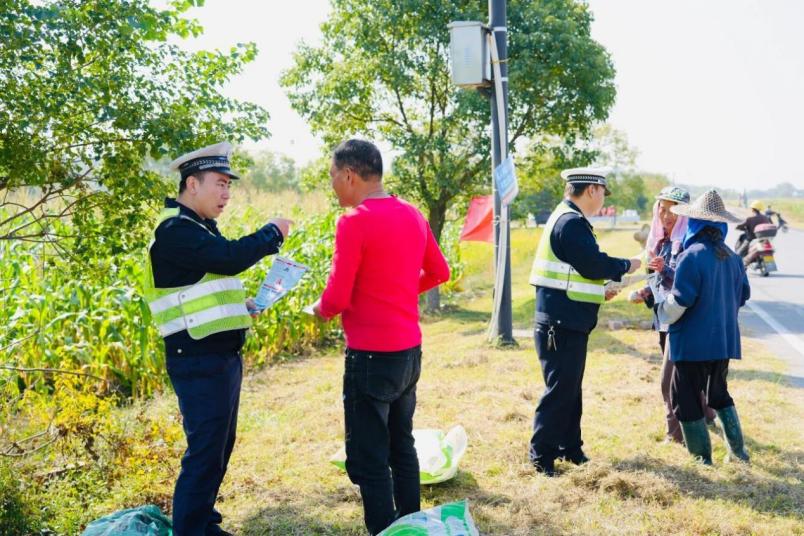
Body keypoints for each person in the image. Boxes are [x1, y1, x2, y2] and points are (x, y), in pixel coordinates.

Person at [142, 142, 292, 535]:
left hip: (217, 356)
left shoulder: (198, 227)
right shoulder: (174, 229)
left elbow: (202, 284)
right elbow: (228, 258)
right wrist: (271, 233)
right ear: (192, 184)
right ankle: (191, 530)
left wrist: (241, 304)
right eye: (220, 184)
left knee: (218, 448)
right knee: (205, 452)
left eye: (229, 186)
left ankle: (203, 523)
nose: (226, 194)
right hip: (196, 359)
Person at [312, 139, 450, 535]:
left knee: (369, 458)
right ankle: (410, 524)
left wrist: (319, 309)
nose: (332, 185)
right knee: (401, 444)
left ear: (349, 175)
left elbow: (337, 297)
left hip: (371, 356)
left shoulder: (354, 221)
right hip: (408, 352)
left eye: (332, 177)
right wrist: (399, 291)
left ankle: (383, 530)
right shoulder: (413, 214)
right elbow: (440, 272)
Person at [527, 167, 642, 476]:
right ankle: (541, 457)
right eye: (603, 192)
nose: (604, 199)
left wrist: (599, 291)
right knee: (560, 391)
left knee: (569, 389)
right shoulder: (571, 223)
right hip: (561, 323)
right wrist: (627, 264)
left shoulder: (568, 219)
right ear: (592, 190)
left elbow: (573, 274)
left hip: (565, 320)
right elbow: (593, 264)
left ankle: (570, 448)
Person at [658, 190, 751, 465]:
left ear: (695, 223)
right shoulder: (733, 257)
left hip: (693, 343)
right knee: (718, 394)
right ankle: (738, 453)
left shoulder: (691, 256)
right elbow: (743, 295)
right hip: (723, 340)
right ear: (721, 225)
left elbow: (680, 301)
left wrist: (659, 307)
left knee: (684, 398)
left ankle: (702, 459)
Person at [629, 187, 717, 443]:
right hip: (664, 318)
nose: (667, 216)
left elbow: (687, 282)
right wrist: (646, 292)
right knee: (685, 376)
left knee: (669, 381)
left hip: (683, 320)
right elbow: (659, 282)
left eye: (674, 211)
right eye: (662, 209)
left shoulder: (690, 243)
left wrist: (665, 270)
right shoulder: (659, 241)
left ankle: (676, 435)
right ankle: (707, 416)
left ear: (686, 214)